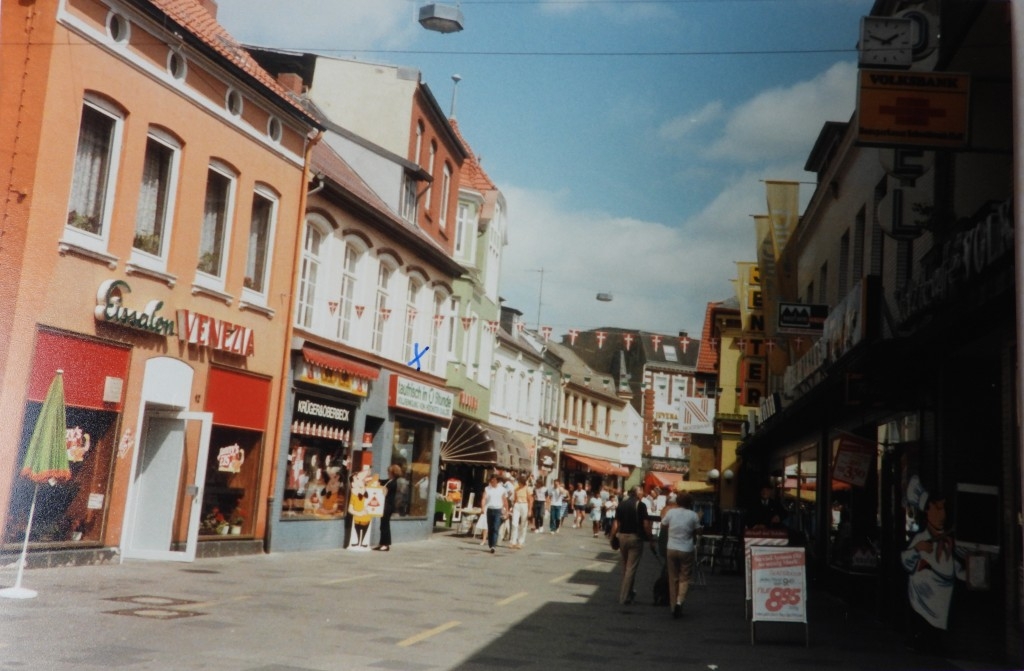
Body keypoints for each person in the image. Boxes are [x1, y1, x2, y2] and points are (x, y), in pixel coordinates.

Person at [902, 477, 965, 652]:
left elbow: (956, 569)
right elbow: (906, 560)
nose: (942, 513)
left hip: (942, 601)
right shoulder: (922, 539)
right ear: (927, 511)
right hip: (922, 600)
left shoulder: (948, 542)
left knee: (936, 633)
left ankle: (933, 644)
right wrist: (917, 550)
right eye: (938, 508)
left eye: (943, 508)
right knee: (925, 630)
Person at [609, 485, 654, 605]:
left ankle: (628, 593)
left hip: (622, 536)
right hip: (635, 538)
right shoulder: (641, 505)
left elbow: (616, 523)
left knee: (625, 567)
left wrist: (612, 537)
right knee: (631, 568)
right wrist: (651, 539)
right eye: (641, 492)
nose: (643, 494)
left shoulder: (622, 504)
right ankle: (623, 597)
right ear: (637, 493)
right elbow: (645, 525)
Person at [660, 492, 702, 618]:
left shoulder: (671, 512)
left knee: (673, 578)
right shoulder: (693, 515)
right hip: (686, 549)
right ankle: (679, 602)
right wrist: (699, 519)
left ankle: (673, 607)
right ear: (690, 503)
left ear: (678, 502)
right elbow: (699, 531)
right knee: (684, 577)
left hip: (671, 547)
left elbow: (663, 524)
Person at [373, 463, 402, 551]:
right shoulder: (390, 481)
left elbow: (384, 489)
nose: (388, 473)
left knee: (385, 525)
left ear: (393, 472)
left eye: (389, 472)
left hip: (388, 506)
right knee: (383, 525)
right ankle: (382, 543)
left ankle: (386, 544)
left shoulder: (393, 483)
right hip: (386, 505)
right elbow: (382, 481)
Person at [481, 474, 509, 554]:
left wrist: (506, 511)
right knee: (490, 528)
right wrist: (483, 507)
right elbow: (484, 498)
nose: (492, 482)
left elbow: (505, 501)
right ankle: (490, 544)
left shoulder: (502, 489)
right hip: (490, 509)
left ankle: (493, 546)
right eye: (491, 480)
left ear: (497, 481)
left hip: (498, 510)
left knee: (496, 527)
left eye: (493, 480)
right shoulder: (487, 489)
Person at [510, 475, 533, 549]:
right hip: (517, 505)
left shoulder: (527, 489)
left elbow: (530, 500)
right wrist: (513, 506)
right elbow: (514, 498)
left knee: (523, 524)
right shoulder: (516, 488)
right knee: (514, 523)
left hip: (524, 505)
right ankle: (513, 541)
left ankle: (520, 542)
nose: (518, 483)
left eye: (519, 482)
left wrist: (529, 510)